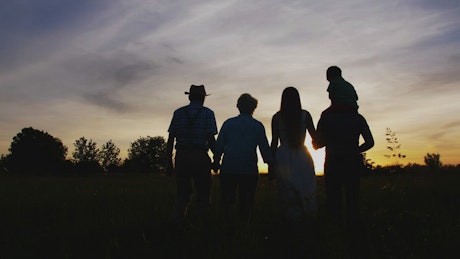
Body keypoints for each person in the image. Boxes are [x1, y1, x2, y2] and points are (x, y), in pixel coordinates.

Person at [212, 93, 273, 226]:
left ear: (238, 106)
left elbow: (220, 145)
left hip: (229, 168)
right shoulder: (257, 126)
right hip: (249, 170)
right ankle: (244, 229)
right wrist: (270, 165)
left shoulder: (229, 123)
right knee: (247, 203)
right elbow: (264, 149)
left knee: (228, 202)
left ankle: (228, 229)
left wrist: (216, 161)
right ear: (254, 108)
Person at [313, 107, 374, 228]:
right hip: (352, 163)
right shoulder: (358, 118)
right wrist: (356, 150)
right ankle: (354, 233)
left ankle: (336, 233)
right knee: (353, 201)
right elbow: (370, 142)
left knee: (333, 201)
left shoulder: (326, 118)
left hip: (332, 163)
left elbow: (317, 144)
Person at [166, 84, 218, 225]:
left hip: (181, 156)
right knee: (203, 193)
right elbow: (211, 140)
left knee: (182, 194)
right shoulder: (208, 113)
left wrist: (168, 162)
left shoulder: (178, 113)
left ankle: (177, 224)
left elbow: (170, 140)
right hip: (200, 156)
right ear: (203, 98)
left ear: (189, 97)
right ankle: (201, 225)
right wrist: (217, 158)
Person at [270, 86, 318, 222]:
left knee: (286, 190)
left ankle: (288, 221)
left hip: (283, 156)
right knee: (305, 187)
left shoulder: (277, 117)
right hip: (302, 155)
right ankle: (307, 218)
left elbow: (274, 142)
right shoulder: (305, 115)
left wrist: (270, 163)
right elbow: (315, 136)